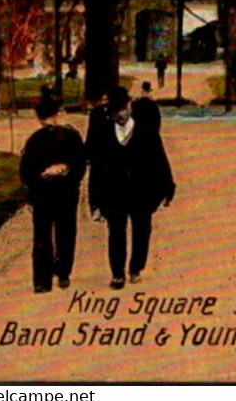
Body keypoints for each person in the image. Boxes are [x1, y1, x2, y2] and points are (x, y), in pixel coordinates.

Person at [87, 85, 175, 289]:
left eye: (123, 109)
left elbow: (160, 161)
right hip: (114, 193)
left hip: (141, 192)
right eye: (115, 112)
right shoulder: (104, 134)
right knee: (116, 232)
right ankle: (118, 274)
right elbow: (97, 170)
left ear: (129, 106)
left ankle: (136, 268)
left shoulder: (146, 132)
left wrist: (167, 188)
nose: (120, 115)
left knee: (142, 230)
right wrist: (95, 202)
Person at [19, 91, 86, 293]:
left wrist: (40, 177)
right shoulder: (72, 136)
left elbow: (25, 171)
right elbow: (81, 164)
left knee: (41, 236)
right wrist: (67, 171)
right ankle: (64, 273)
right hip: (66, 192)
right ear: (59, 113)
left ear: (39, 118)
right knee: (66, 233)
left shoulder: (34, 140)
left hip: (43, 194)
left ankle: (42, 280)